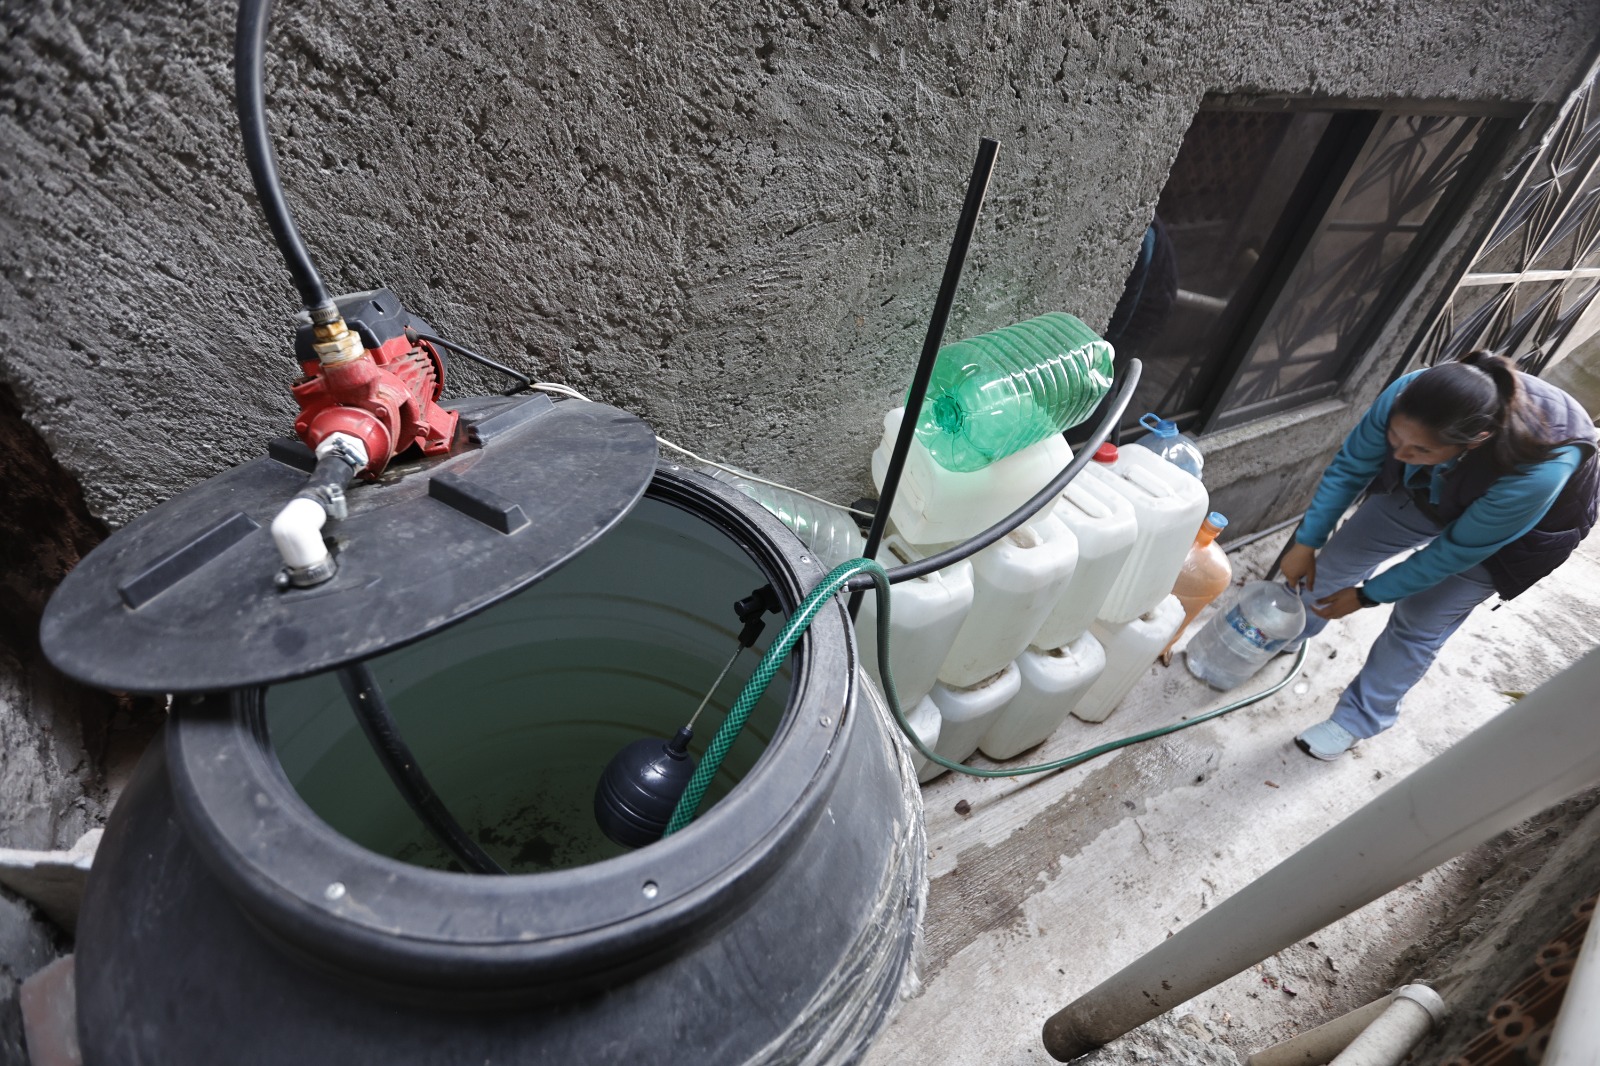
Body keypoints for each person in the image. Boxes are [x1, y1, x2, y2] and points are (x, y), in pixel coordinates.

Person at [1280, 350, 1599, 760]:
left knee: (1420, 620)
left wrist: (1366, 595)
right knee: (1331, 566)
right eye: (1395, 439)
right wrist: (1306, 542)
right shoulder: (1410, 394)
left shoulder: (1541, 470)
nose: (1397, 455)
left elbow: (1455, 552)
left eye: (1418, 450)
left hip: (1514, 533)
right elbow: (1350, 467)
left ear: (1473, 442)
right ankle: (1292, 629)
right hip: (1430, 489)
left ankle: (1355, 720)